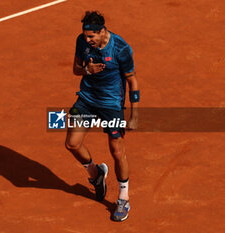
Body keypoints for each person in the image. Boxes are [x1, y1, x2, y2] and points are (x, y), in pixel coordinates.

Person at [65, 11, 139, 222]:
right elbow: (75, 69)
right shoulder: (82, 41)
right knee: (72, 144)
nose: (87, 40)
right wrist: (87, 70)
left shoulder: (121, 49)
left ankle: (123, 198)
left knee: (117, 150)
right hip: (87, 99)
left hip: (111, 104)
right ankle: (97, 174)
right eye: (85, 36)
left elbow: (132, 81)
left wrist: (134, 115)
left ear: (103, 31)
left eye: (91, 37)